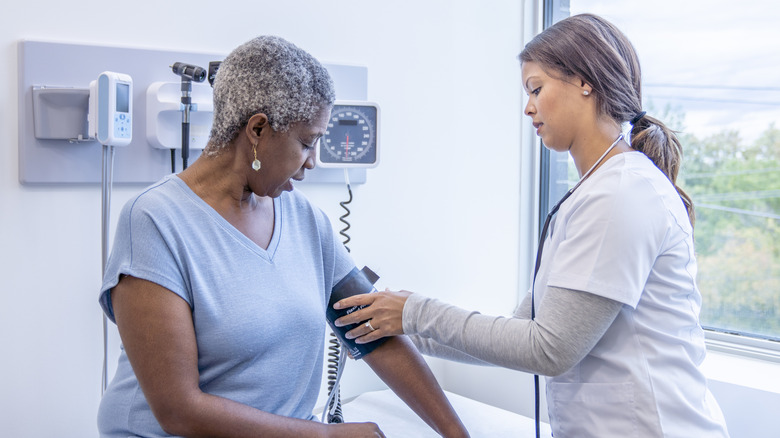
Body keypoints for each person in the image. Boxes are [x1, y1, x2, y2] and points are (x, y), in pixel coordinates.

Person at [332, 13, 731, 438]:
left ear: (585, 81)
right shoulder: (595, 193)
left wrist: (414, 311)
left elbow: (550, 350)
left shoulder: (621, 194)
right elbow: (520, 333)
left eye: (536, 88)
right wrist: (394, 322)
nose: (528, 107)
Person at [97, 35, 469, 438]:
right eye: (307, 142)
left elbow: (374, 334)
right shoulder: (154, 221)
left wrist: (455, 433)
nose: (312, 162)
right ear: (257, 129)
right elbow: (179, 411)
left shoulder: (306, 219)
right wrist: (326, 435)